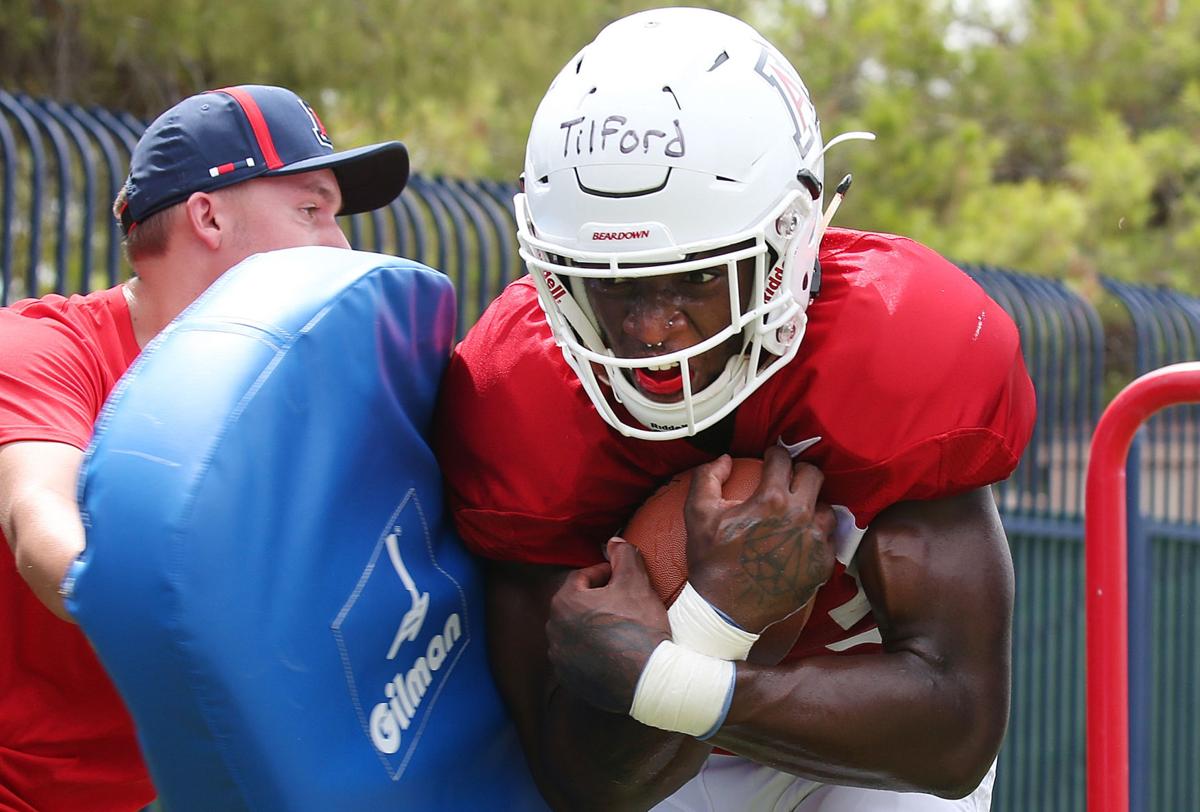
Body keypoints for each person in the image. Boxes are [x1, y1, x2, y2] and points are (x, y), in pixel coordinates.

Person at [434, 8, 1036, 811]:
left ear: (790, 239)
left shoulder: (892, 345)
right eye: (612, 283)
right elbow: (578, 782)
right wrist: (716, 622)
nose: (651, 332)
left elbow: (954, 732)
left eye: (694, 279)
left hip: (856, 737)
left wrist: (680, 663)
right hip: (664, 769)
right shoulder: (518, 391)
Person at [0, 84, 408, 812]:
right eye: (311, 210)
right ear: (209, 214)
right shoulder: (43, 346)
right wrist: (147, 592)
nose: (341, 246)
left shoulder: (303, 385)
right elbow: (38, 515)